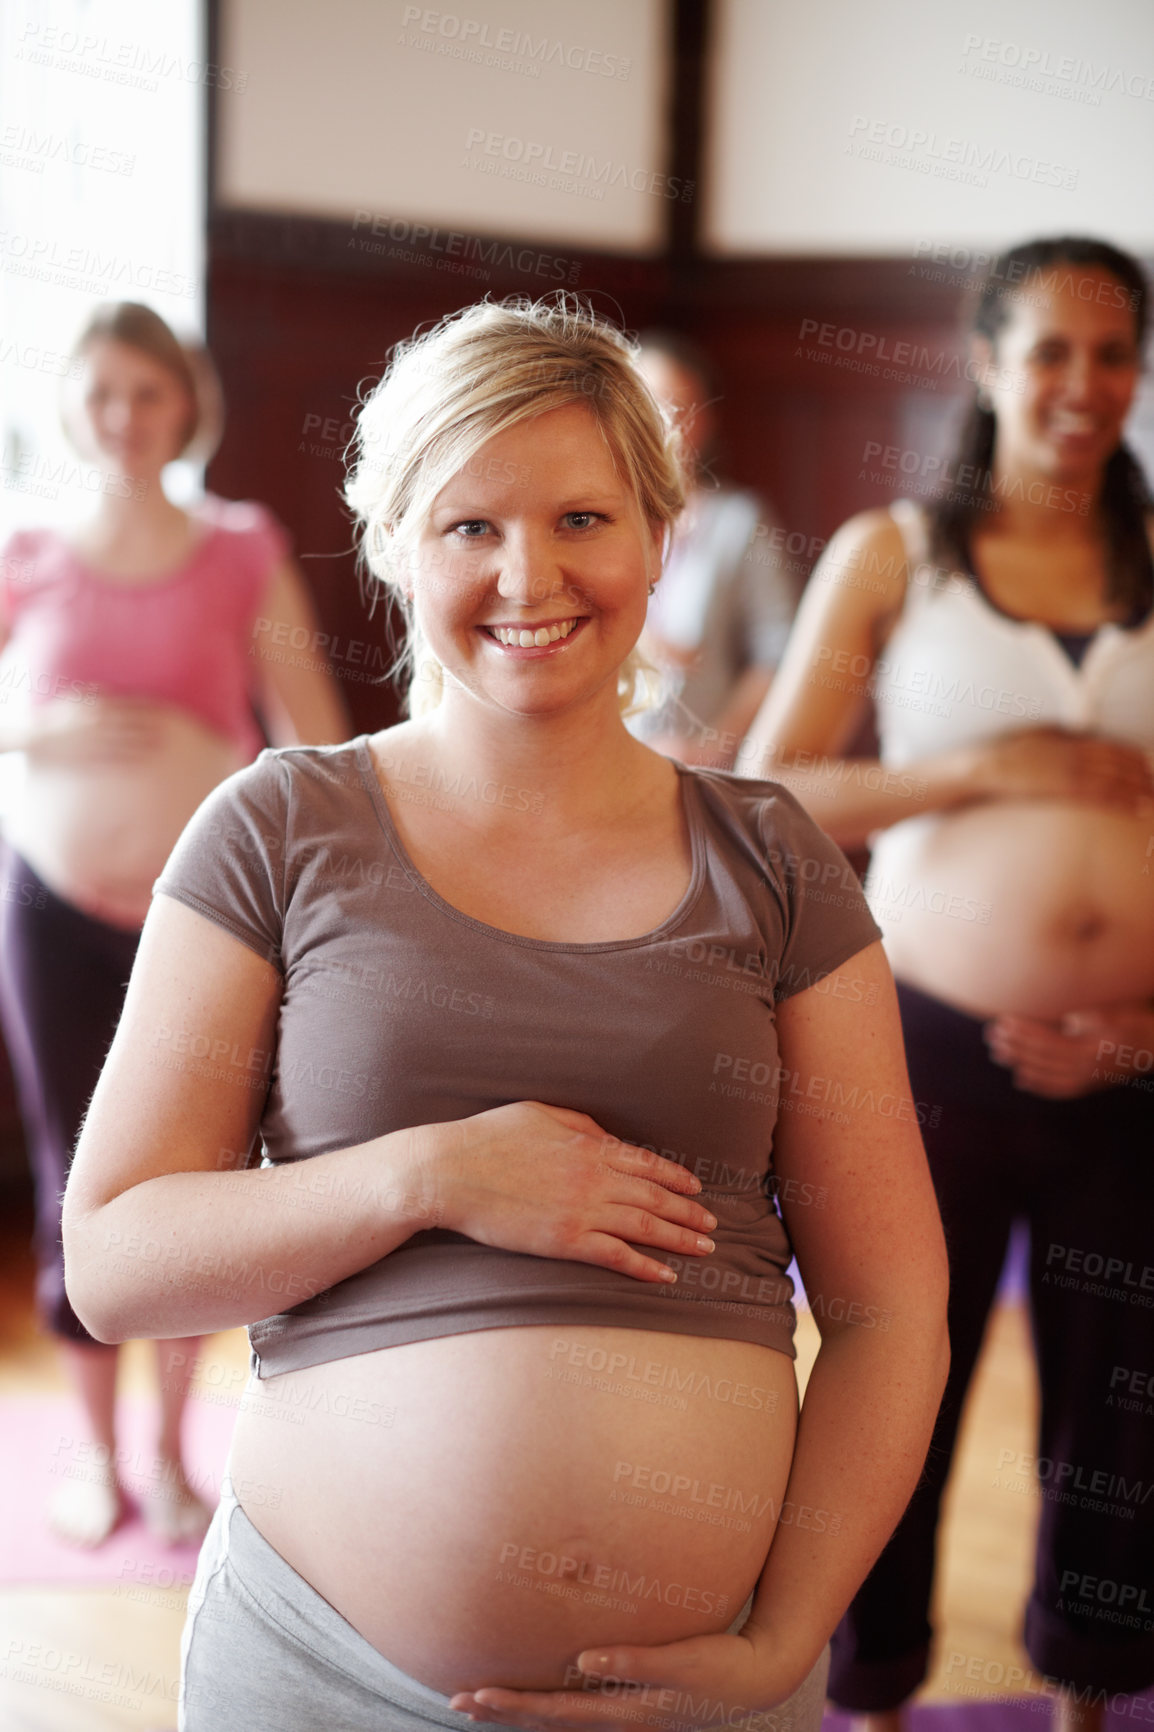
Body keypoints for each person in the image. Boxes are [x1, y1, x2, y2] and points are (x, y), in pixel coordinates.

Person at [61, 296, 947, 1732]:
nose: (527, 573)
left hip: (710, 1685)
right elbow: (112, 1264)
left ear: (661, 539)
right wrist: (436, 1175)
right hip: (318, 1669)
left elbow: (889, 1303)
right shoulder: (275, 827)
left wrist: (784, 1637)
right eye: (469, 525)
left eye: (582, 519)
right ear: (397, 546)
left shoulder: (774, 858)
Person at [742, 237, 1154, 1725]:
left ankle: (1097, 1694)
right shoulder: (894, 555)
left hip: (1129, 1068)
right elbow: (769, 789)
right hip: (921, 1051)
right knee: (892, 1377)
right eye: (1048, 351)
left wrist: (1143, 1030)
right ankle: (867, 1692)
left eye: (1112, 355)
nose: (1081, 387)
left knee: (1122, 1403)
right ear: (984, 362)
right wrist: (974, 769)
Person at [0, 302, 350, 1548]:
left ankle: (169, 1451)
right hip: (50, 910)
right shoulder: (28, 549)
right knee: (68, 1176)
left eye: (147, 393)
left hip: (200, 923)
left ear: (184, 402)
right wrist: (36, 732)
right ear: (70, 407)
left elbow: (306, 722)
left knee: (189, 1174)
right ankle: (93, 1455)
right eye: (100, 394)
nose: (124, 418)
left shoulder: (239, 544)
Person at [628, 332, 797, 769]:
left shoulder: (741, 521)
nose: (666, 424)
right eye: (649, 405)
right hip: (602, 759)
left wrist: (715, 746)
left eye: (679, 408)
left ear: (705, 421)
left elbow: (778, 652)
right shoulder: (595, 517)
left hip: (697, 764)